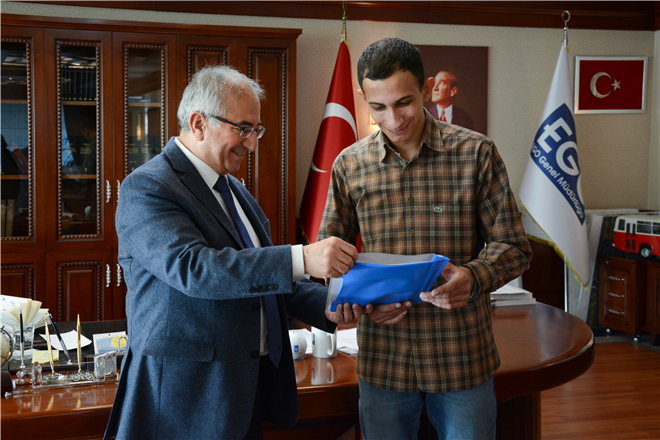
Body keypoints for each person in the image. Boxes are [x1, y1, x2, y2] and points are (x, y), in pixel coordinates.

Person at [104, 65, 366, 440]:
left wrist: (331, 304)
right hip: (185, 400)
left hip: (242, 393)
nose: (252, 144)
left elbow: (265, 282)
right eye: (242, 129)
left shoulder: (234, 190)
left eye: (256, 130)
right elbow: (195, 269)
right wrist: (302, 257)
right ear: (198, 123)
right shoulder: (147, 186)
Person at [318, 38, 532, 440]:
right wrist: (353, 305)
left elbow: (514, 247)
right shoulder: (349, 165)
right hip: (384, 361)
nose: (393, 119)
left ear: (428, 88)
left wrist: (474, 277)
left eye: (404, 102)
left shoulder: (477, 153)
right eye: (378, 107)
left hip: (460, 356)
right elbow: (330, 258)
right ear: (363, 98)